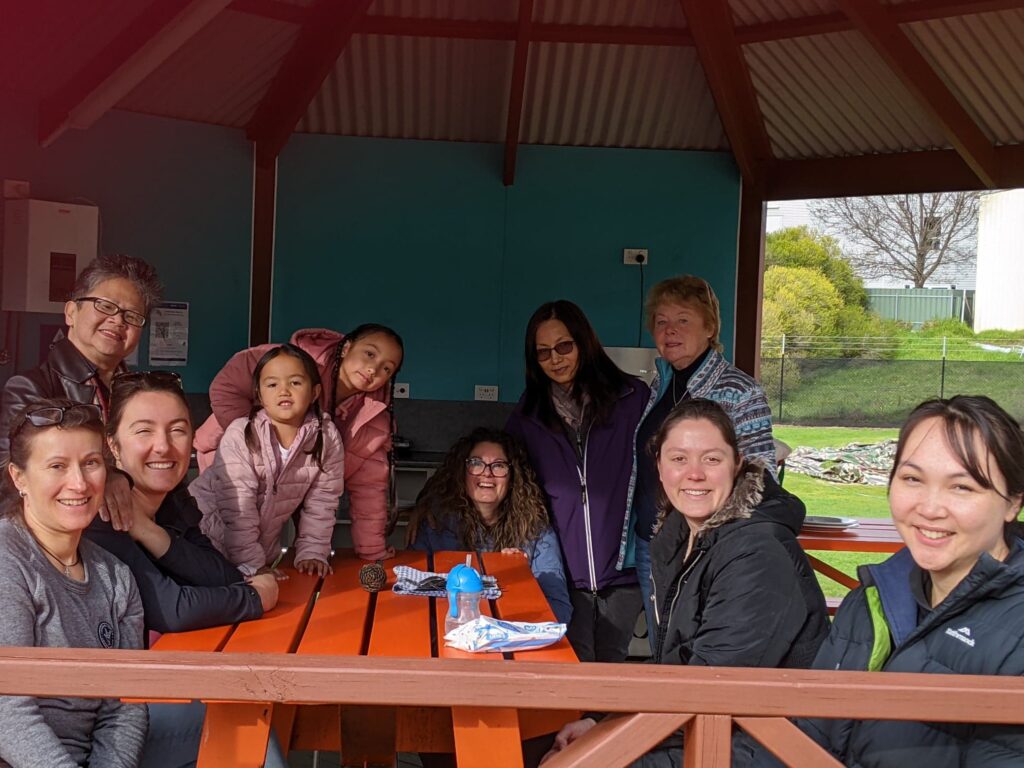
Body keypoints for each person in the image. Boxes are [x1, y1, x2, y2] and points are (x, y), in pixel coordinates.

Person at [738, 395, 1024, 767]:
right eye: (912, 479)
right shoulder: (874, 597)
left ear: (1013, 502)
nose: (930, 508)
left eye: (962, 487)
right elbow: (805, 735)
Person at [545, 398, 827, 766]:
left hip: (768, 743)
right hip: (710, 722)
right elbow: (679, 664)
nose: (694, 473)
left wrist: (605, 739)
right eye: (679, 459)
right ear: (659, 467)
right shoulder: (678, 536)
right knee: (559, 751)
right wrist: (600, 720)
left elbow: (710, 687)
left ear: (736, 464)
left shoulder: (757, 551)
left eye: (711, 459)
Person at [628, 275, 776, 653]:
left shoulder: (738, 391)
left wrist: (716, 535)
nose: (669, 331)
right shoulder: (657, 387)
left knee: (703, 645)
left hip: (707, 545)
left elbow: (763, 475)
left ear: (710, 328)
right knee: (664, 643)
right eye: (661, 322)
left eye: (683, 320)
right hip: (655, 542)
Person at [0, 399, 147, 767]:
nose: (79, 483)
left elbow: (125, 704)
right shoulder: (9, 561)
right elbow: (6, 709)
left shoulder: (115, 576)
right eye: (57, 466)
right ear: (19, 478)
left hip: (94, 756)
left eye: (91, 463)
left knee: (247, 739)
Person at [84, 371, 278, 635]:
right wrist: (255, 597)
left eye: (177, 430)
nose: (163, 446)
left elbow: (221, 576)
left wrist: (147, 530)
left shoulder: (173, 498)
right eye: (144, 431)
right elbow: (171, 611)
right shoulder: (101, 510)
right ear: (113, 445)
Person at [507, 300, 648, 662]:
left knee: (613, 663)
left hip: (623, 569)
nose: (555, 359)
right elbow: (519, 494)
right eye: (543, 352)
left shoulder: (633, 400)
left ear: (584, 342)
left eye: (564, 346)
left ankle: (610, 723)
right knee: (573, 663)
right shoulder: (528, 416)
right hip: (564, 573)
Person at [194, 325, 403, 561]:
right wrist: (254, 439)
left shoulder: (371, 419)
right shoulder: (291, 361)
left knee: (266, 543)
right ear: (346, 347)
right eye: (370, 354)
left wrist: (371, 550)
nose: (373, 368)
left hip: (292, 486)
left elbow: (368, 488)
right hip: (228, 461)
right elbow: (226, 385)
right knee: (223, 524)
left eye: (387, 368)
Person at [0, 253, 163, 532]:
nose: (118, 320)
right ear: (71, 312)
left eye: (132, 315)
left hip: (142, 530)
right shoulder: (32, 389)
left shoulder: (140, 395)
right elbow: (8, 478)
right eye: (105, 306)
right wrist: (105, 475)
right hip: (69, 541)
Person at [191, 344, 344, 578]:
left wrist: (313, 552)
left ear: (314, 392)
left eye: (295, 382)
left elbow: (323, 500)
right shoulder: (240, 433)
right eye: (272, 384)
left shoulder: (327, 436)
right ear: (260, 396)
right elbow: (237, 507)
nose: (284, 390)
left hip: (255, 550)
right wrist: (252, 563)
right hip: (201, 535)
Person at [407, 428, 572, 624]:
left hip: (511, 640)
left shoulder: (535, 529)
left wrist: (520, 582)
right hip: (447, 635)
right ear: (462, 472)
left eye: (499, 465)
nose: (487, 473)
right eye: (476, 463)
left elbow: (560, 609)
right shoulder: (434, 522)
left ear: (512, 477)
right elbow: (410, 595)